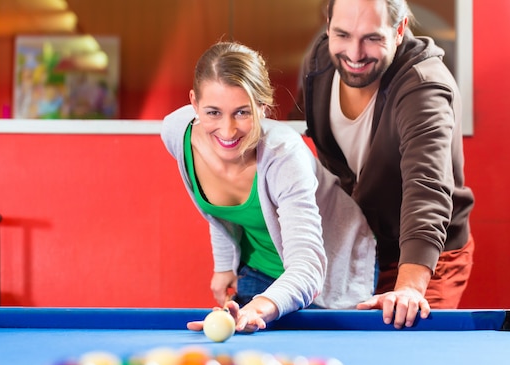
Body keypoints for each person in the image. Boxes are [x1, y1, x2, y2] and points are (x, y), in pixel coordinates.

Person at [160, 41, 376, 333]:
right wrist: (224, 266)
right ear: (194, 103)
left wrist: (257, 307)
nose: (227, 130)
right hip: (259, 269)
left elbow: (308, 268)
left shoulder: (284, 155)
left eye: (242, 112)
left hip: (329, 274)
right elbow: (224, 211)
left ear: (262, 108)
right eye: (213, 112)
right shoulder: (177, 135)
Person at [292, 0, 475, 329]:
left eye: (372, 38)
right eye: (342, 34)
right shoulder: (319, 62)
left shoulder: (424, 87)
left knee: (409, 354)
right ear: (329, 25)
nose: (355, 53)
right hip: (358, 245)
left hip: (426, 253)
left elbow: (427, 189)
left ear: (400, 30)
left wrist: (408, 287)